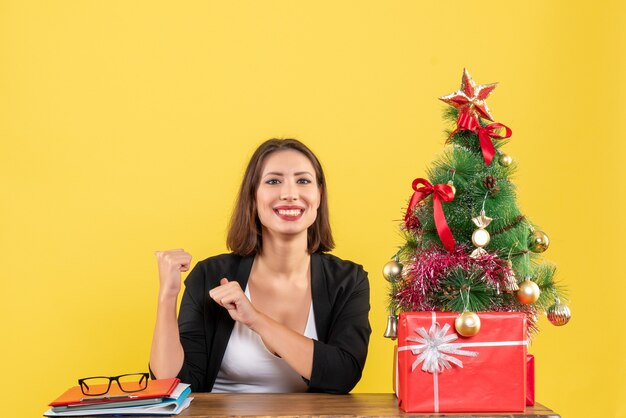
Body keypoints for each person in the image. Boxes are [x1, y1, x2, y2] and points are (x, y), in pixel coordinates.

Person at [149, 138, 371, 394]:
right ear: (253, 196)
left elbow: (343, 375)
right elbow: (173, 384)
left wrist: (255, 319)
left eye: (303, 180)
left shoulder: (348, 279)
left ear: (319, 195)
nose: (290, 193)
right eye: (273, 181)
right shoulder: (209, 276)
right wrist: (167, 297)